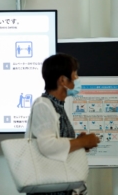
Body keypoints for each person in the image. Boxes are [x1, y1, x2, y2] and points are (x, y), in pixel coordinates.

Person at [25, 53, 100, 195]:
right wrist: (82, 141)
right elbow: (48, 146)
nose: (77, 79)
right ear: (63, 81)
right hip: (50, 190)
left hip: (60, 188)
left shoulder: (57, 105)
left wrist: (79, 143)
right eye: (74, 75)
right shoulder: (43, 105)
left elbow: (57, 144)